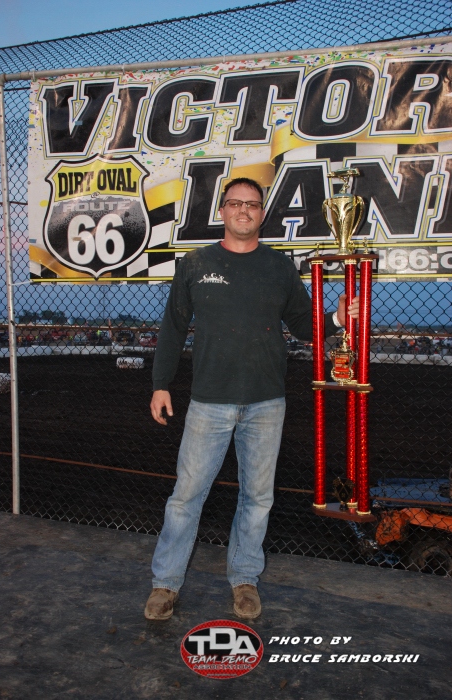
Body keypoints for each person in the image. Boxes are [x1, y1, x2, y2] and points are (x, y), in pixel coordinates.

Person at [145, 177, 359, 621]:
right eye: (235, 203)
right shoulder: (195, 263)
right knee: (186, 497)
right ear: (222, 210)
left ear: (262, 214)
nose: (244, 210)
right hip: (208, 402)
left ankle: (244, 579)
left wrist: (337, 318)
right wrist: (160, 383)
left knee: (258, 498)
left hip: (266, 403)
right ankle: (165, 583)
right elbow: (173, 326)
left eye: (253, 204)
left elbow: (303, 325)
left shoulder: (279, 267)